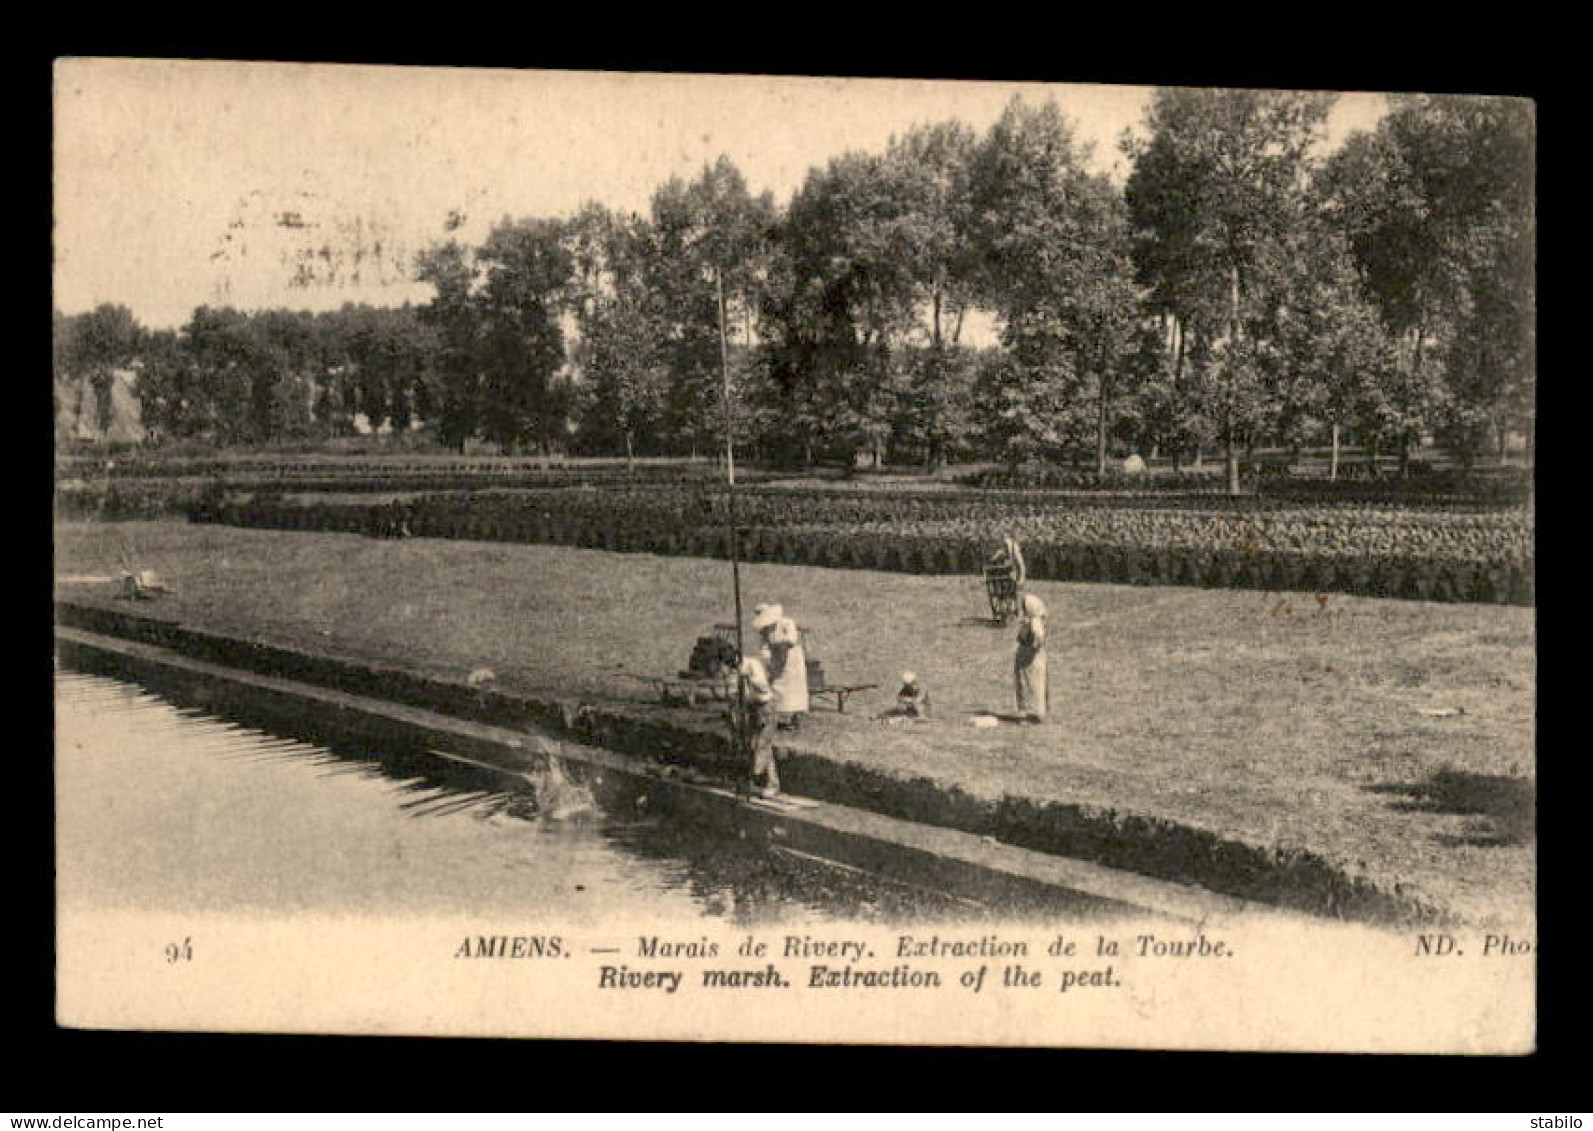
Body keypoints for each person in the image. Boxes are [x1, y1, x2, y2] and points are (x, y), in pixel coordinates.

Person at [752, 603, 809, 730]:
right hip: (777, 658)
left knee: (794, 688)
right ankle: (781, 719)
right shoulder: (765, 631)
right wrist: (768, 659)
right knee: (777, 687)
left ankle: (793, 718)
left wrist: (780, 644)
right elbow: (764, 647)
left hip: (792, 658)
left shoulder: (786, 623)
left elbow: (791, 639)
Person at [735, 651, 780, 796]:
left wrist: (747, 676)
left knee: (762, 745)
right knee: (753, 745)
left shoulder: (752, 665)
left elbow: (763, 687)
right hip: (752, 708)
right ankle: (770, 782)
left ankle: (758, 779)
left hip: (765, 707)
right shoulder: (733, 670)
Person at [1014, 593, 1048, 723]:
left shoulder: (1035, 621)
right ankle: (1032, 713)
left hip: (1030, 661)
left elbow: (1038, 638)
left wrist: (1032, 648)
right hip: (1027, 660)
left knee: (1032, 685)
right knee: (1028, 684)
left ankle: (1031, 714)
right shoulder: (1031, 621)